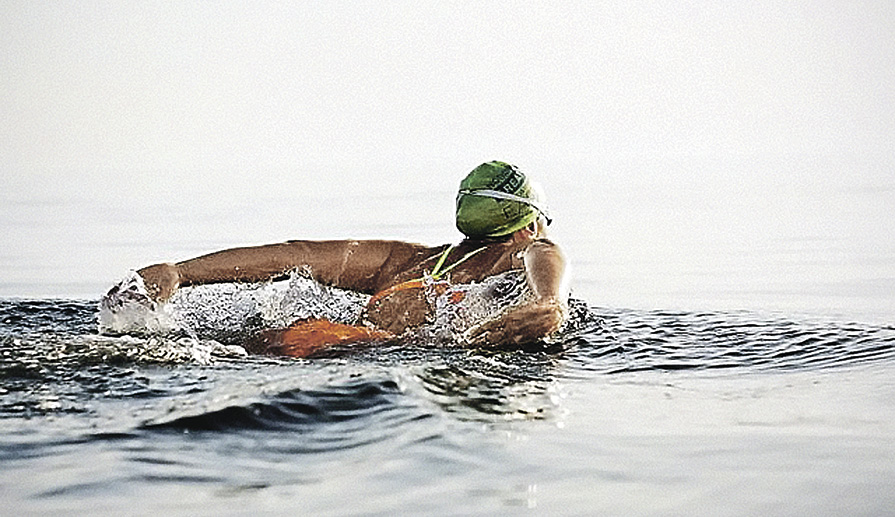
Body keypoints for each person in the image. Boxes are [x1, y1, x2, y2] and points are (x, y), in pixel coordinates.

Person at [135, 161, 569, 351]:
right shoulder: (522, 252)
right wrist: (549, 303)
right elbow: (544, 257)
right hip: (365, 356)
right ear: (529, 223)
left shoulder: (400, 261)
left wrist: (181, 272)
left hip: (314, 341)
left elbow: (295, 256)